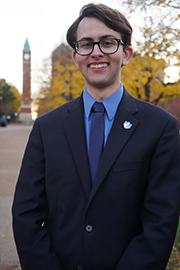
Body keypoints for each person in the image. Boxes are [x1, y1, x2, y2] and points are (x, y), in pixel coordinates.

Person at [12, 3, 180, 270]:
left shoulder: (161, 128)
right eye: (86, 44)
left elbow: (161, 221)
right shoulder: (46, 128)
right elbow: (26, 215)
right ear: (76, 56)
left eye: (108, 42)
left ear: (126, 54)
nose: (96, 52)